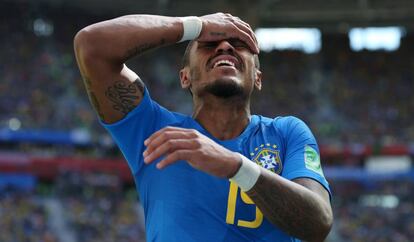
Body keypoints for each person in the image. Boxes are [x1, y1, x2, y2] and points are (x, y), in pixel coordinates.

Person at [74, 12, 333, 242]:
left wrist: (236, 166)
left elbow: (318, 223)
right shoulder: (152, 129)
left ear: (258, 78)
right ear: (185, 77)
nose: (224, 46)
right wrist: (195, 26)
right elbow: (91, 45)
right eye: (209, 43)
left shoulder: (287, 133)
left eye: (239, 44)